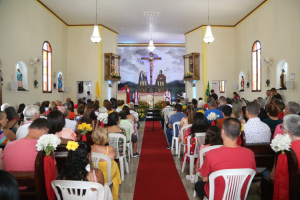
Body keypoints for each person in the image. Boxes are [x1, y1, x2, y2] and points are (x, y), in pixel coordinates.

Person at [194, 118, 256, 199]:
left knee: (198, 185)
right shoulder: (250, 153)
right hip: (239, 195)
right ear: (239, 133)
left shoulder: (211, 154)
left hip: (216, 195)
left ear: (222, 132)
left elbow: (205, 179)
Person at [91, 127, 121, 200]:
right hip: (108, 176)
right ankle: (115, 192)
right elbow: (114, 156)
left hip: (94, 177)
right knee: (115, 164)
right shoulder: (109, 148)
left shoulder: (89, 148)